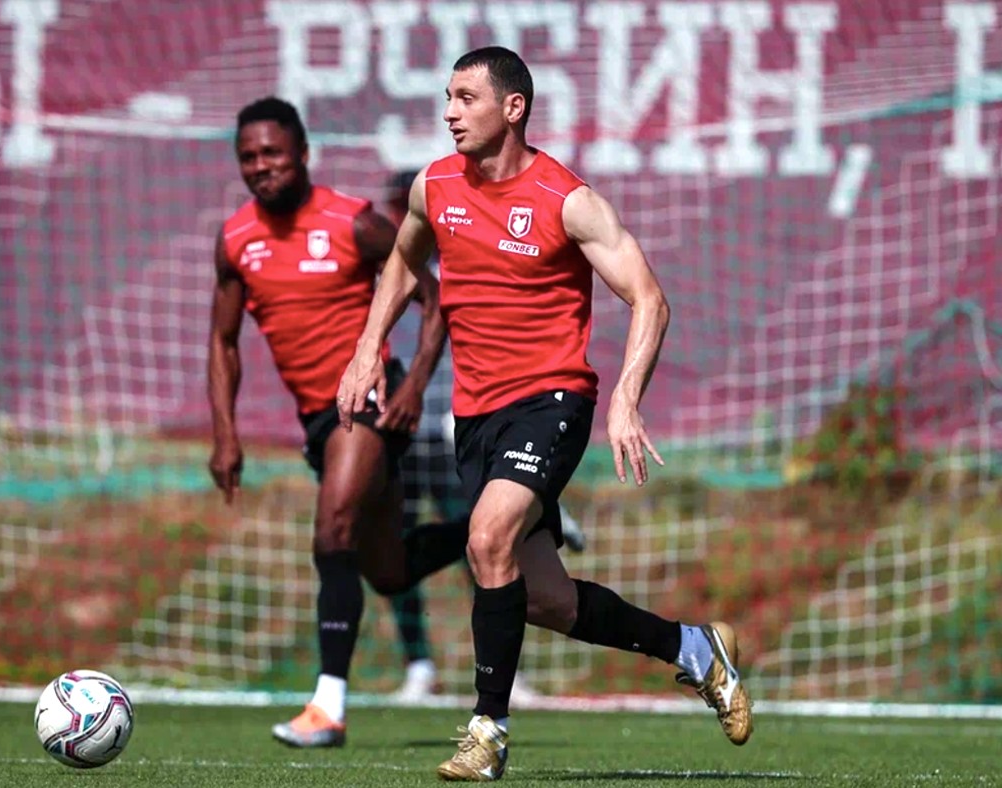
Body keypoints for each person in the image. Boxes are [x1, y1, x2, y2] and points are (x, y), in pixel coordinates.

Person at [337, 47, 753, 780]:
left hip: (553, 401)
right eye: (447, 97)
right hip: (476, 417)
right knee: (547, 601)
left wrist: (626, 396)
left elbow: (649, 299)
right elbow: (402, 261)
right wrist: (368, 348)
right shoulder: (435, 186)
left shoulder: (567, 200)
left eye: (466, 98)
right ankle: (693, 649)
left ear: (513, 108)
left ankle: (487, 732)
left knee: (486, 537)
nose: (450, 112)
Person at [207, 97, 469, 749]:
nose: (261, 166)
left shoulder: (353, 223)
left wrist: (413, 386)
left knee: (332, 534)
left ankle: (327, 708)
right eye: (248, 157)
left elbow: (435, 298)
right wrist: (226, 434)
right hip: (318, 421)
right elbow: (223, 342)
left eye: (272, 153)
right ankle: (523, 520)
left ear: (302, 154)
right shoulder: (236, 239)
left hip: (370, 400)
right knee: (388, 571)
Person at [380, 170, 587, 704]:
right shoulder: (388, 275)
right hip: (401, 437)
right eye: (396, 211)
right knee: (396, 554)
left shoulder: (464, 263)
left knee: (485, 547)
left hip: (456, 434)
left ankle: (503, 672)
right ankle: (418, 665)